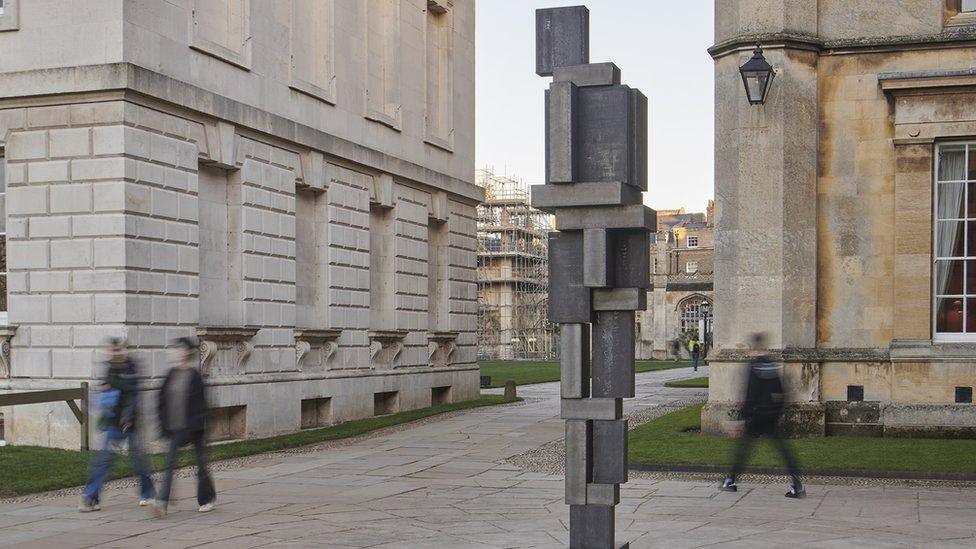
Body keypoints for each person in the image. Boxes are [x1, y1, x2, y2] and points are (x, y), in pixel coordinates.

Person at [720, 332, 805, 498]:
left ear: (753, 348)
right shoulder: (773, 365)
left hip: (756, 414)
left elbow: (750, 394)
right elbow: (782, 391)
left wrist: (742, 417)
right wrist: (777, 412)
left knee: (743, 449)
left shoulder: (754, 366)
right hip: (771, 414)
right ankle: (797, 483)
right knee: (783, 450)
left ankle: (730, 480)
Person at [80, 338, 155, 512]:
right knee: (103, 460)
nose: (116, 353)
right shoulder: (109, 369)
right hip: (113, 422)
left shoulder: (131, 368)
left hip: (130, 423)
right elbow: (106, 391)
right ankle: (91, 497)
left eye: (119, 350)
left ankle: (148, 493)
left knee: (138, 461)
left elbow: (133, 396)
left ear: (123, 350)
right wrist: (100, 392)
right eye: (113, 351)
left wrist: (129, 419)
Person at [154, 337, 216, 517]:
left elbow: (202, 405)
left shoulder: (194, 376)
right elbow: (161, 402)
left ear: (186, 352)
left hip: (194, 428)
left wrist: (198, 426)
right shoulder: (170, 374)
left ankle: (207, 498)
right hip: (175, 428)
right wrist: (163, 426)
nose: (175, 352)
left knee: (201, 465)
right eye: (174, 349)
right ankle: (162, 503)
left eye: (178, 349)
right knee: (170, 464)